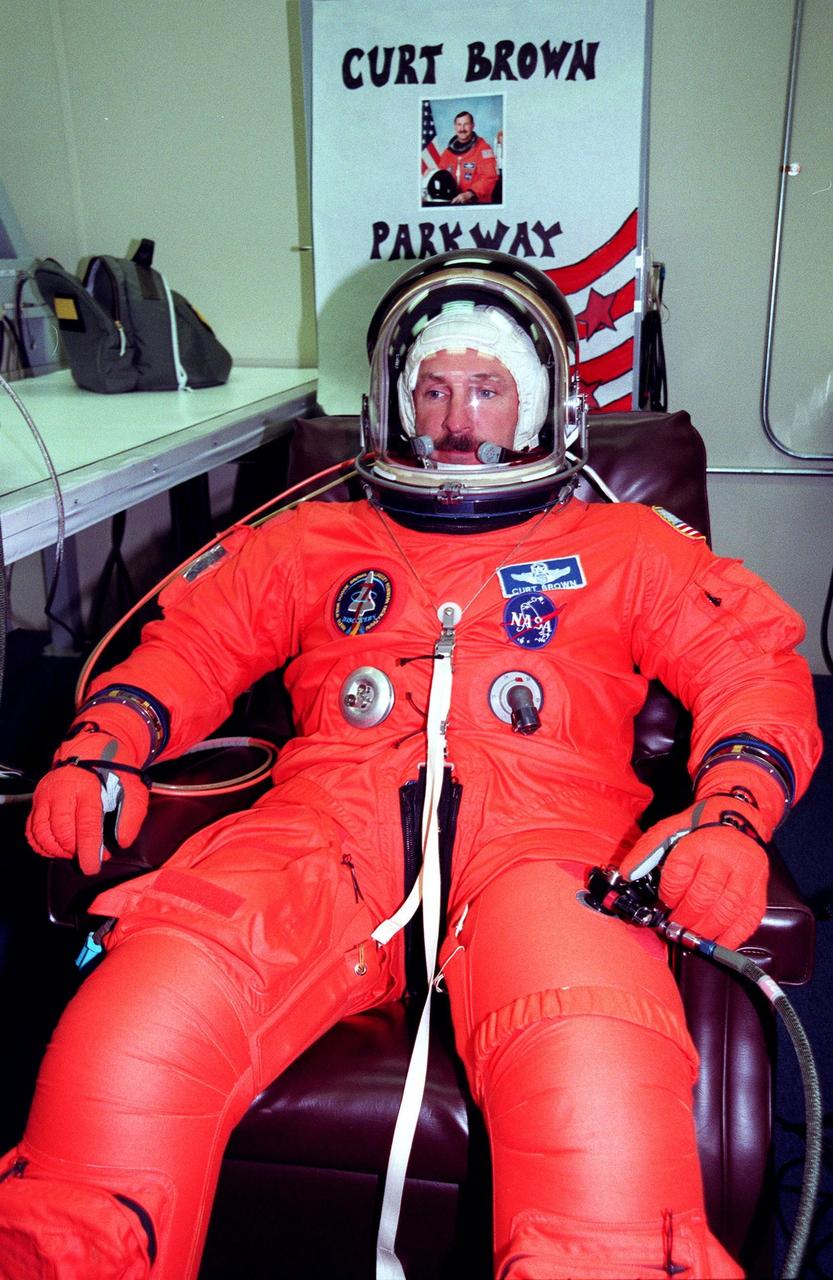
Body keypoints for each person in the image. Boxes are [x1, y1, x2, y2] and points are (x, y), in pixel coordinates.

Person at [0, 250, 821, 1280]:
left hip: (549, 851)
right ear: (390, 402)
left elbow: (749, 668)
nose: (455, 418)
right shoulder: (312, 538)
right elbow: (191, 646)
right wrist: (102, 746)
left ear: (544, 409)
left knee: (594, 1093)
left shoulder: (623, 546)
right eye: (432, 387)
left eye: (485, 387)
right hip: (315, 837)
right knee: (128, 1039)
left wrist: (731, 813)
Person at [434, 110, 499, 204]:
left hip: (477, 203)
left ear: (473, 125)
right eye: (459, 124)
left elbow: (489, 177)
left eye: (466, 124)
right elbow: (441, 174)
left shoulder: (483, 149)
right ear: (455, 127)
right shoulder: (448, 152)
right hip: (453, 202)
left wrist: (470, 193)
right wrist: (431, 174)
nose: (462, 128)